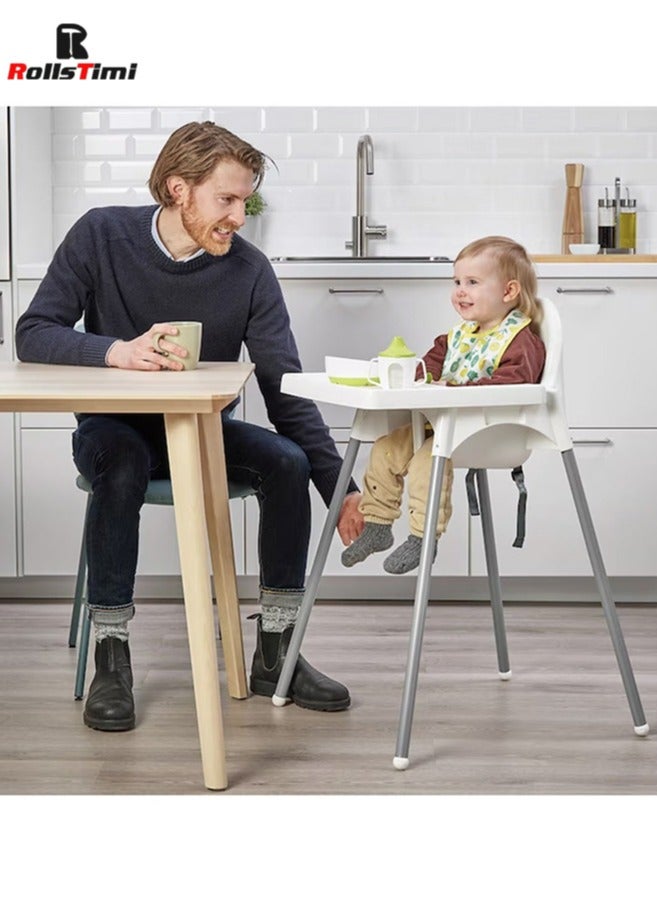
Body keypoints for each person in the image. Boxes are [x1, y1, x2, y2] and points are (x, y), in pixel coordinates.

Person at [15, 120, 364, 731]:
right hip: (111, 430)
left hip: (200, 435)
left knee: (287, 462)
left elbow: (284, 386)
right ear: (179, 188)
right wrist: (113, 351)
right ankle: (111, 656)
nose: (239, 216)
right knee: (121, 464)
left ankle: (276, 654)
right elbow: (33, 331)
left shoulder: (249, 270)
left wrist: (343, 491)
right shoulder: (102, 235)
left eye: (245, 201)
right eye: (226, 199)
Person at [341, 235, 546, 575]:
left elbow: (515, 383)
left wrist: (453, 389)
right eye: (457, 282)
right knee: (385, 448)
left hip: (487, 429)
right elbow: (429, 367)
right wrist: (414, 378)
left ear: (508, 292)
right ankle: (378, 524)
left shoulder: (520, 340)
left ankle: (423, 538)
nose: (460, 291)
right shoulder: (459, 336)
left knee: (426, 460)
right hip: (441, 423)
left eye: (472, 282)